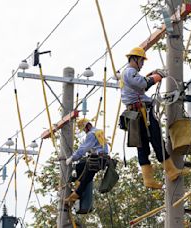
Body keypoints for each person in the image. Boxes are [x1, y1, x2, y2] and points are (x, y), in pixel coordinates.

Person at [120, 47, 183, 189]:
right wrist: (158, 77)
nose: (142, 64)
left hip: (135, 114)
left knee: (142, 146)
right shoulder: (130, 71)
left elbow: (141, 84)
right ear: (135, 59)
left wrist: (153, 75)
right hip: (142, 113)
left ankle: (148, 180)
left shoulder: (128, 74)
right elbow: (143, 83)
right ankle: (172, 171)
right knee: (156, 140)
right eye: (142, 61)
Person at [64, 118, 109, 202]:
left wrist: (73, 158)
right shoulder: (98, 131)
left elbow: (84, 148)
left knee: (86, 178)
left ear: (87, 126)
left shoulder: (91, 134)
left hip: (97, 160)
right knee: (80, 166)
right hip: (102, 158)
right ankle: (77, 182)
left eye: (84, 129)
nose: (84, 131)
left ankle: (75, 196)